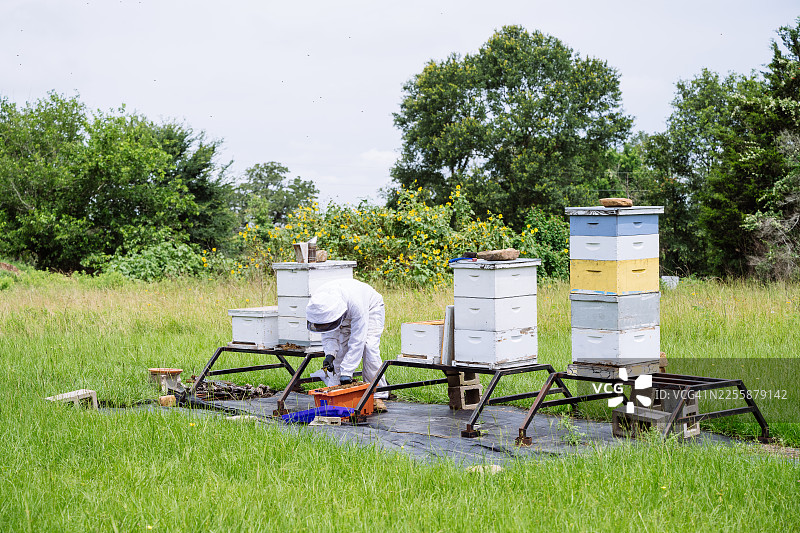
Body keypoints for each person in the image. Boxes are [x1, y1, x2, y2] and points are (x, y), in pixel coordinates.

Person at [305, 278, 389, 403]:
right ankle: (336, 393)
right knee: (339, 353)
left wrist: (347, 372)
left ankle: (378, 394)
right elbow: (328, 333)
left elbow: (358, 340)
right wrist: (330, 354)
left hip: (370, 308)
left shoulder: (356, 304)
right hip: (345, 313)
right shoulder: (320, 304)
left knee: (369, 347)